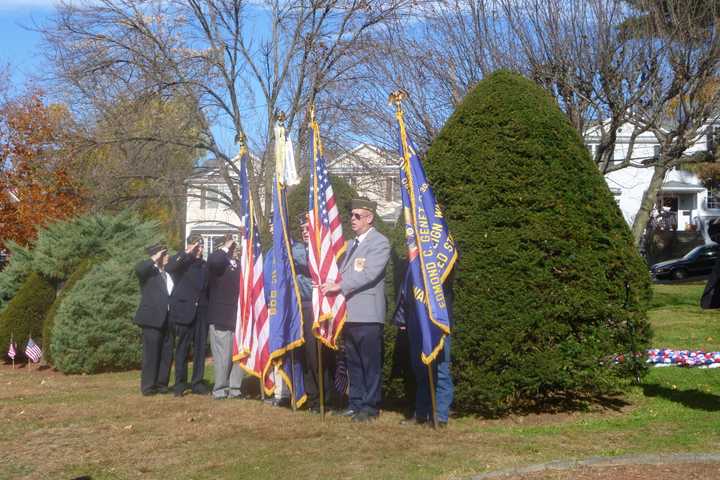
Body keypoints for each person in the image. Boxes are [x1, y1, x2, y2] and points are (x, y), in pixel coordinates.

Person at [321, 198, 390, 422]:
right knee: (354, 362)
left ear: (369, 218)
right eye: (351, 215)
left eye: (357, 215)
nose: (352, 219)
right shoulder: (351, 245)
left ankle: (370, 407)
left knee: (370, 363)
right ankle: (356, 402)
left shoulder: (380, 242)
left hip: (369, 314)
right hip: (349, 314)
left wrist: (339, 286)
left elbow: (369, 273)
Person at [295, 213, 336, 413]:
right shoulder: (297, 250)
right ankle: (312, 398)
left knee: (318, 355)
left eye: (307, 229)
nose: (304, 233)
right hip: (301, 306)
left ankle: (325, 398)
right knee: (304, 355)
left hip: (318, 306)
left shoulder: (322, 251)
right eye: (302, 230)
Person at [166, 235, 210, 397]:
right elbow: (169, 268)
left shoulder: (205, 266)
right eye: (198, 246)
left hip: (201, 314)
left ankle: (197, 382)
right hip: (185, 312)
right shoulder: (181, 263)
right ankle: (180, 383)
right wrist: (187, 252)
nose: (200, 249)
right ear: (191, 246)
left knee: (200, 350)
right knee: (182, 350)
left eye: (202, 246)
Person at [133, 244, 175, 396]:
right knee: (151, 354)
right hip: (152, 319)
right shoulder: (149, 273)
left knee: (166, 353)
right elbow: (139, 269)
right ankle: (148, 386)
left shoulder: (168, 274)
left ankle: (162, 384)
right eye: (164, 255)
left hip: (168, 319)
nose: (167, 257)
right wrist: (155, 258)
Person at [207, 234, 245, 400]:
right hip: (221, 316)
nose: (233, 248)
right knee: (223, 356)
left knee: (238, 355)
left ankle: (235, 388)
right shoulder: (216, 261)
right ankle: (220, 389)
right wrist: (226, 246)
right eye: (230, 246)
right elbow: (215, 261)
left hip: (238, 316)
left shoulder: (237, 263)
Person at [263, 221, 290, 407]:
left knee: (285, 349)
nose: (271, 227)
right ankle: (277, 390)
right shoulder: (270, 252)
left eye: (275, 224)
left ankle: (286, 391)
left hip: (285, 309)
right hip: (270, 307)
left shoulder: (289, 249)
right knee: (274, 349)